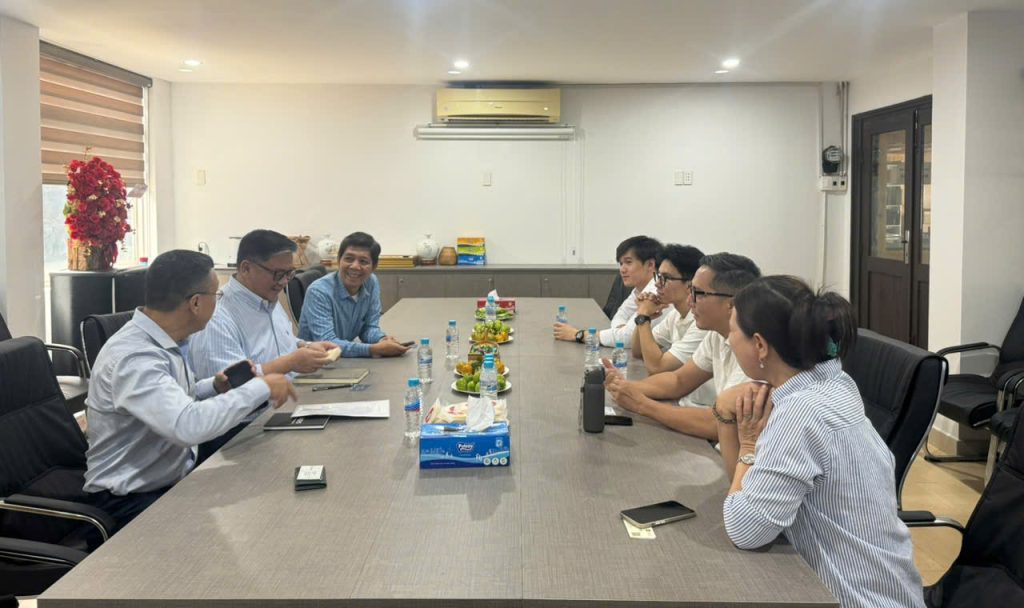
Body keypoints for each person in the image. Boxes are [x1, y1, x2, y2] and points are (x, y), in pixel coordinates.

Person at [718, 276, 924, 608]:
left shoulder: (800, 413)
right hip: (890, 590)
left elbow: (745, 530)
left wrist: (749, 445)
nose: (728, 340)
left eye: (732, 331)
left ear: (760, 345)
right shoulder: (836, 382)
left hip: (852, 598)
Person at [83, 250, 296, 534]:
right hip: (129, 503)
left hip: (170, 478)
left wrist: (214, 386)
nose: (218, 302)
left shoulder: (165, 340)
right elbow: (187, 425)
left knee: (266, 485)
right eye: (215, 295)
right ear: (196, 303)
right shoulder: (134, 357)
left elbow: (175, 400)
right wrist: (262, 385)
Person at [189, 229, 338, 461]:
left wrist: (306, 346)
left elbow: (282, 341)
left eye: (289, 273)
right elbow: (229, 387)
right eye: (278, 274)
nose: (284, 282)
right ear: (246, 268)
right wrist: (290, 362)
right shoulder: (218, 316)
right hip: (240, 432)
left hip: (282, 409)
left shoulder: (267, 297)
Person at [604, 253, 760, 440]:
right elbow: (678, 380)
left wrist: (641, 404)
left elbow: (719, 424)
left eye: (698, 294)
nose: (689, 301)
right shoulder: (716, 334)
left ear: (731, 304)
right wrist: (626, 387)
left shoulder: (756, 351)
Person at [298, 231, 409, 358]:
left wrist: (382, 339)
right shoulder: (319, 292)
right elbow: (327, 343)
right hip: (315, 362)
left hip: (346, 361)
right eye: (349, 259)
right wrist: (373, 349)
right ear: (339, 260)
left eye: (363, 261)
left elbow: (368, 328)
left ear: (374, 267)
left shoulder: (371, 282)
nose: (355, 266)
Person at [630, 245, 714, 406]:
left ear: (690, 284)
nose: (657, 284)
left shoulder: (702, 323)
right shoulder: (675, 315)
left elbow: (657, 367)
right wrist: (644, 316)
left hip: (702, 406)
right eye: (658, 276)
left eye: (666, 278)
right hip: (683, 400)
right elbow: (637, 351)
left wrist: (643, 316)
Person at [554, 235, 663, 347]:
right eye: (621, 264)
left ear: (650, 264)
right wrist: (621, 332)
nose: (622, 269)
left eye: (628, 262)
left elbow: (628, 338)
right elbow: (620, 316)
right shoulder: (641, 288)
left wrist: (579, 335)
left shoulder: (658, 292)